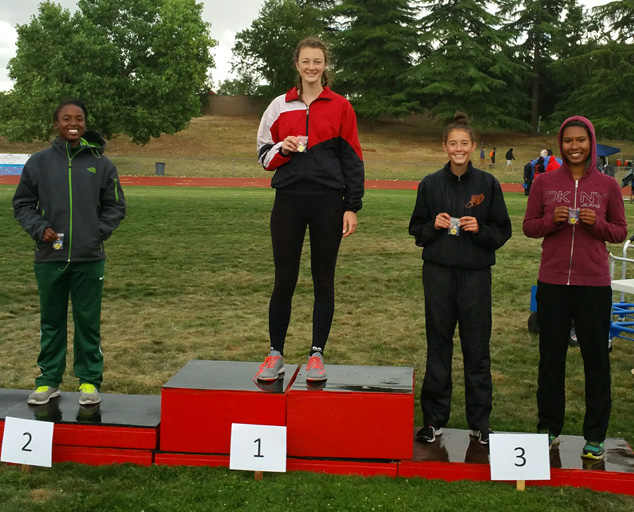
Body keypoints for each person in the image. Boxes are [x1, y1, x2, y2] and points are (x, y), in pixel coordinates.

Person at [255, 37, 364, 382]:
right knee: (283, 279)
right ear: (297, 65)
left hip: (328, 202)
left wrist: (352, 206)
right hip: (288, 200)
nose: (312, 67)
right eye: (306, 61)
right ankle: (275, 354)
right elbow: (263, 156)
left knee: (323, 280)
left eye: (317, 61)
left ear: (325, 65)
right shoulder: (278, 106)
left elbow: (353, 160)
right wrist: (283, 150)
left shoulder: (341, 107)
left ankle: (317, 354)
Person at [523, 116, 627, 460]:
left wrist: (597, 224)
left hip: (593, 284)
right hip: (552, 282)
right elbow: (529, 227)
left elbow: (619, 232)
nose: (574, 146)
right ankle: (548, 428)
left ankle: (594, 436)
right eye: (568, 140)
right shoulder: (544, 182)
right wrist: (549, 222)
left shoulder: (608, 186)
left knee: (595, 360)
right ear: (560, 144)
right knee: (550, 359)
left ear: (591, 142)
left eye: (581, 140)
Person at [12, 99, 126, 406]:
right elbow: (22, 204)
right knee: (51, 322)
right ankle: (48, 380)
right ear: (56, 124)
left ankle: (89, 381)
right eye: (66, 118)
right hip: (49, 258)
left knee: (88, 322)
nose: (73, 123)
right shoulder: (39, 162)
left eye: (78, 118)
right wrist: (39, 228)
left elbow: (116, 206)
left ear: (84, 124)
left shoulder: (101, 164)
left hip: (89, 258)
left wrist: (96, 232)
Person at [409, 112, 512, 445]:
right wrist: (433, 226)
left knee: (476, 347)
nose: (458, 148)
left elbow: (503, 231)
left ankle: (479, 422)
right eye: (452, 143)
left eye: (464, 143)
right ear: (444, 146)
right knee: (438, 344)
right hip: (438, 274)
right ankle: (434, 419)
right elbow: (416, 231)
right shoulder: (430, 184)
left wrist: (479, 229)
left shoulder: (487, 184)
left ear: (474, 147)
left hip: (475, 276)